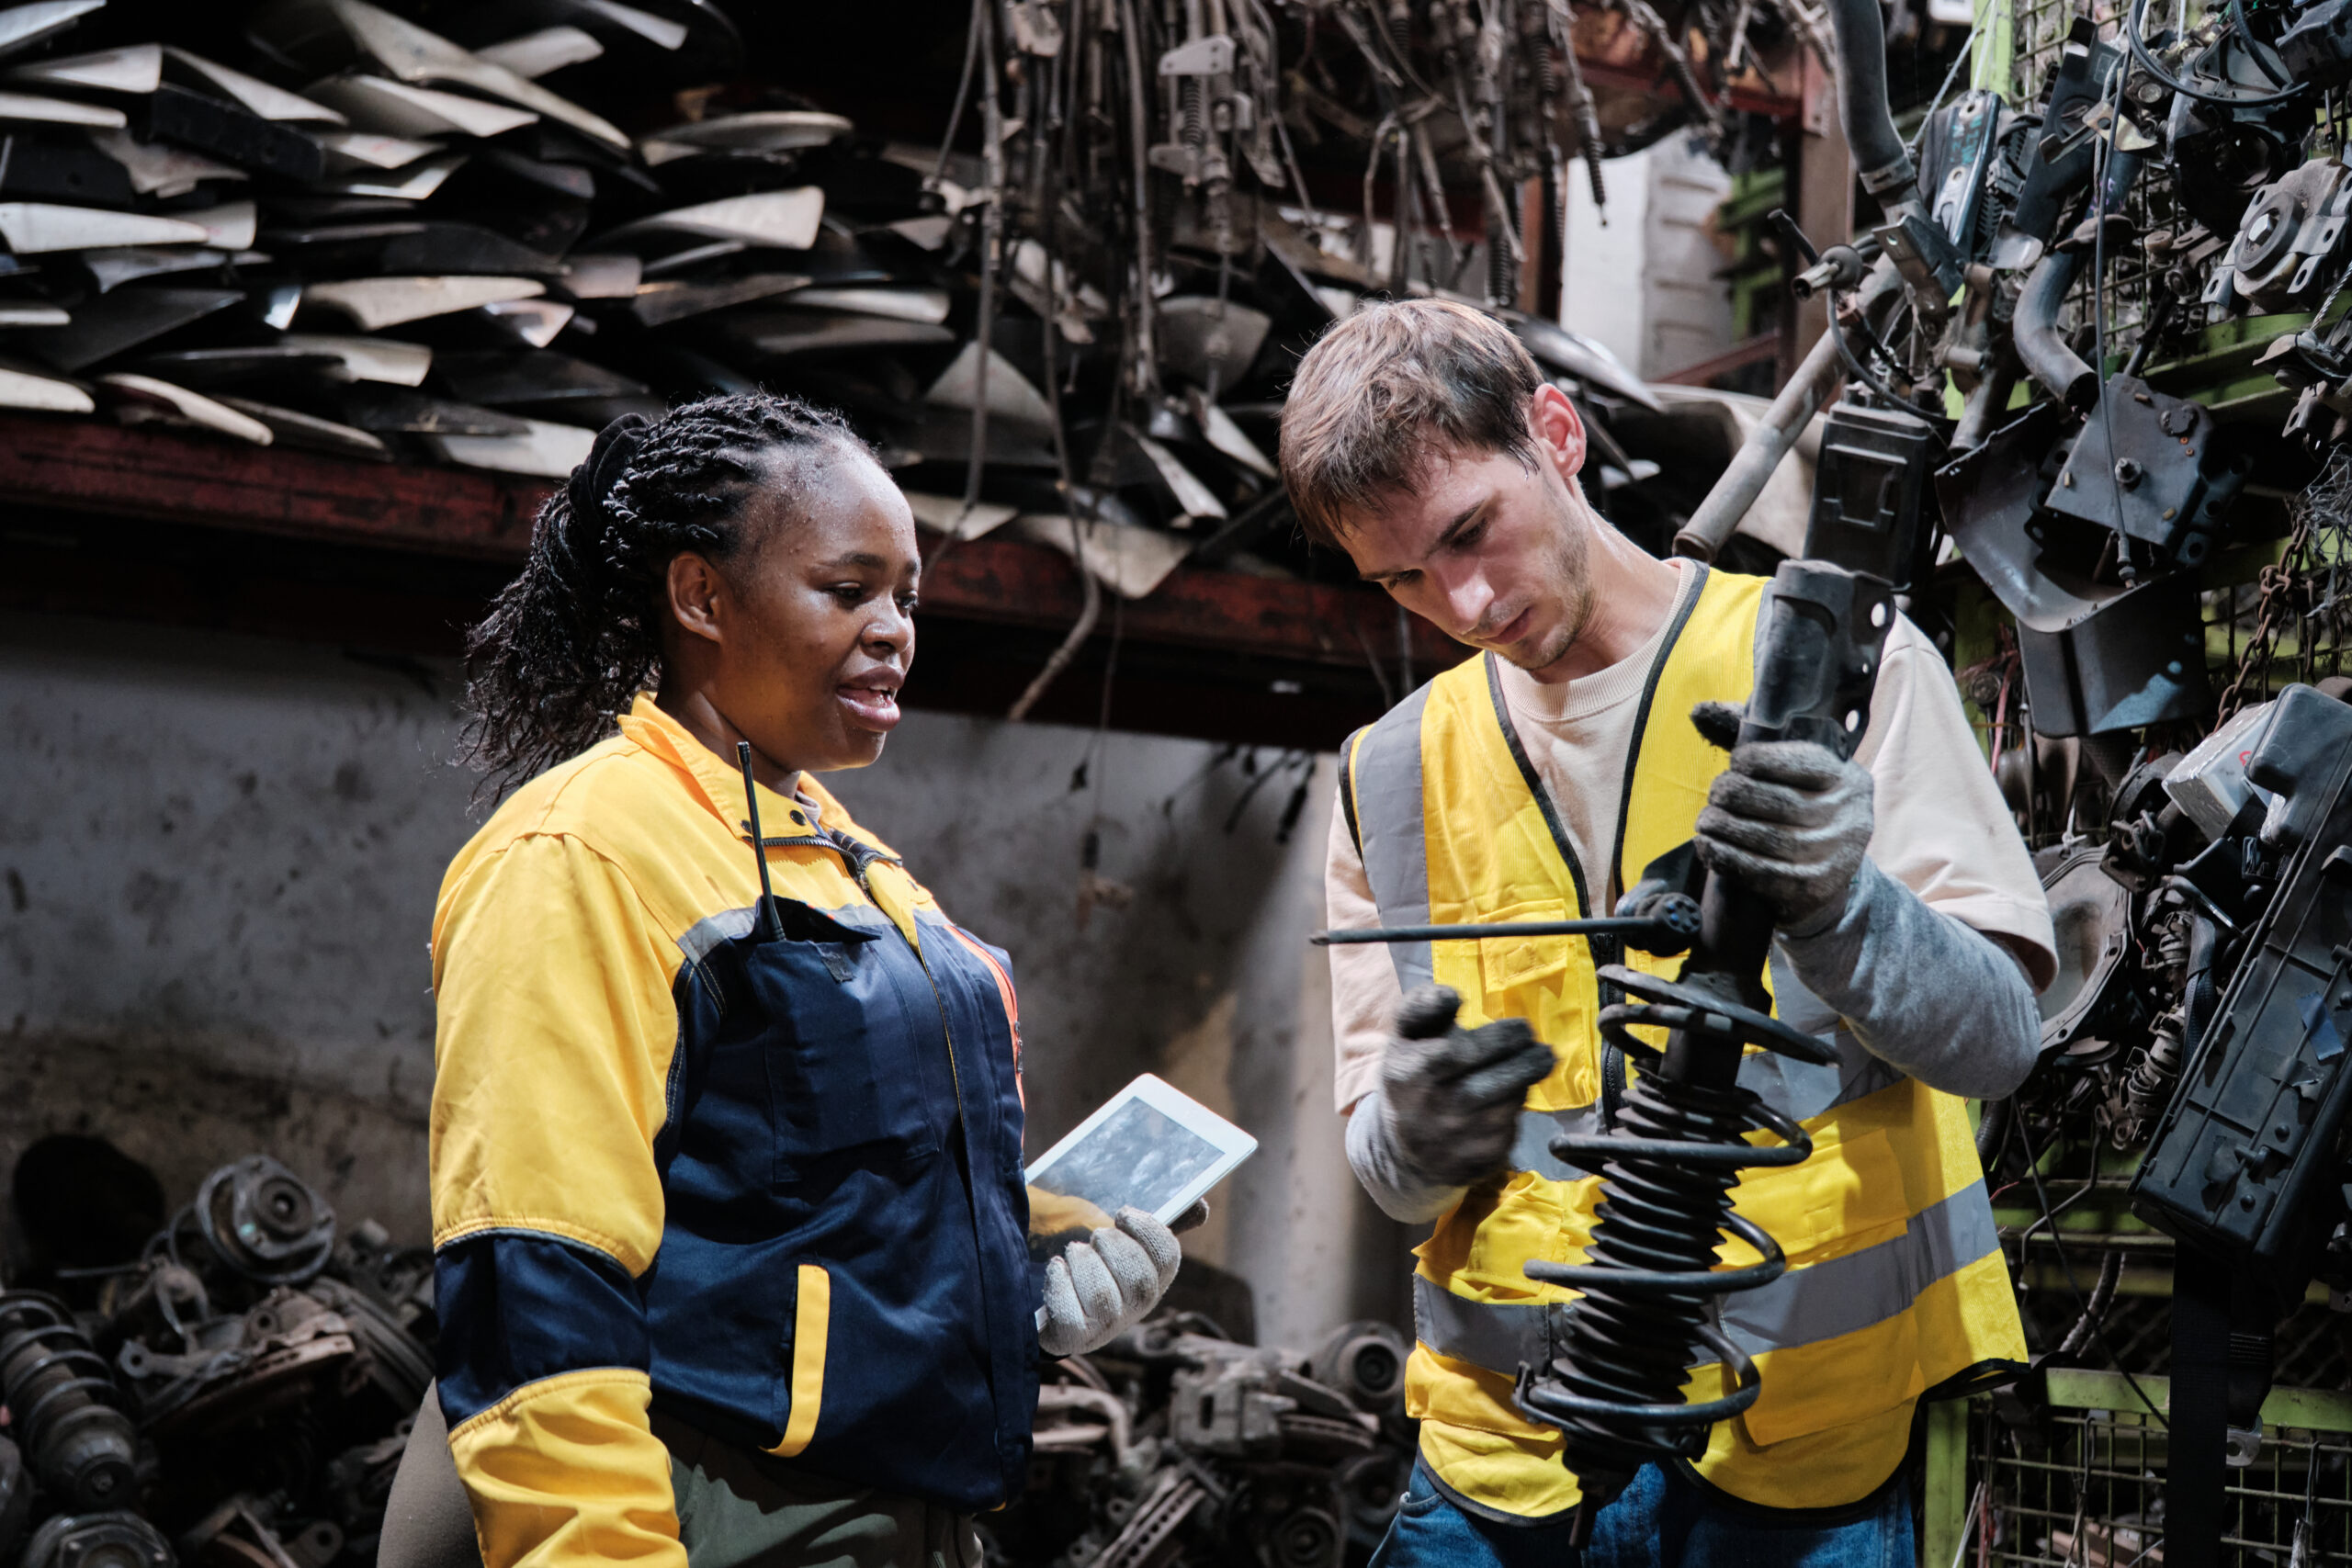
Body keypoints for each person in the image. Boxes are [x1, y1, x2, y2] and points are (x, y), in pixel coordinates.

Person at [1280, 301, 2054, 1566]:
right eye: (1404, 577)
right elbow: (1385, 1166)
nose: (1463, 598)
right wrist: (1415, 1125)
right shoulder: (1391, 769)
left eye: (1472, 530)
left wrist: (1845, 910)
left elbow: (2000, 1036)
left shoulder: (1827, 671)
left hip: (1795, 1454)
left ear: (1556, 433)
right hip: (1498, 1467)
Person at [389, 393, 1193, 1568]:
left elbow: (828, 1190)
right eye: (847, 588)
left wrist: (1038, 1245)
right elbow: (537, 1272)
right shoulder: (582, 854)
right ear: (701, 596)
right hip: (716, 1521)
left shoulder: (844, 856)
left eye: (906, 596)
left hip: (895, 1519)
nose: (895, 630)